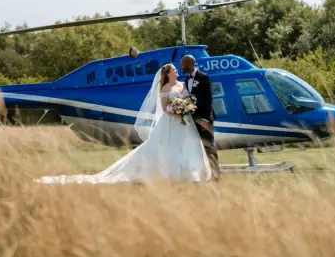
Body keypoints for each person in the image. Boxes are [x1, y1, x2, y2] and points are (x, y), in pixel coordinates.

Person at [33, 63, 212, 184]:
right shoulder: (164, 89)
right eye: (174, 70)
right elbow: (165, 109)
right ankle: (173, 174)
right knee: (167, 147)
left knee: (187, 146)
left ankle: (192, 173)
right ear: (167, 74)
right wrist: (176, 112)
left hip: (184, 123)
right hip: (171, 122)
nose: (177, 71)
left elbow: (189, 98)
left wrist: (187, 107)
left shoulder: (182, 85)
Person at [180, 55, 221, 182]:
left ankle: (215, 176)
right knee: (198, 148)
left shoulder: (204, 78)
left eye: (183, 63)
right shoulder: (186, 80)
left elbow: (208, 100)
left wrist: (205, 119)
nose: (181, 66)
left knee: (209, 146)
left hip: (204, 119)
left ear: (190, 63)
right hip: (193, 121)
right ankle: (204, 174)